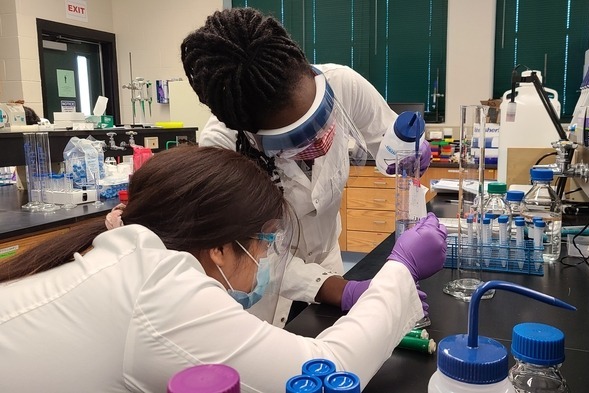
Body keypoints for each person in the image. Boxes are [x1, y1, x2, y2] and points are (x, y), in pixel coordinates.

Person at [0, 145, 447, 392]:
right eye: (267, 243)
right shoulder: (159, 291)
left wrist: (341, 289)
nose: (271, 259)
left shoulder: (129, 256)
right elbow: (325, 372)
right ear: (218, 249)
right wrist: (399, 268)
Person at [181, 8, 433, 326]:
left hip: (328, 259)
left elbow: (390, 135)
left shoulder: (343, 83)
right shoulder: (222, 146)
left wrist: (408, 149)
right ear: (252, 134)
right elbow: (249, 256)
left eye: (321, 115)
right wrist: (341, 291)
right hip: (265, 290)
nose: (319, 136)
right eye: (298, 136)